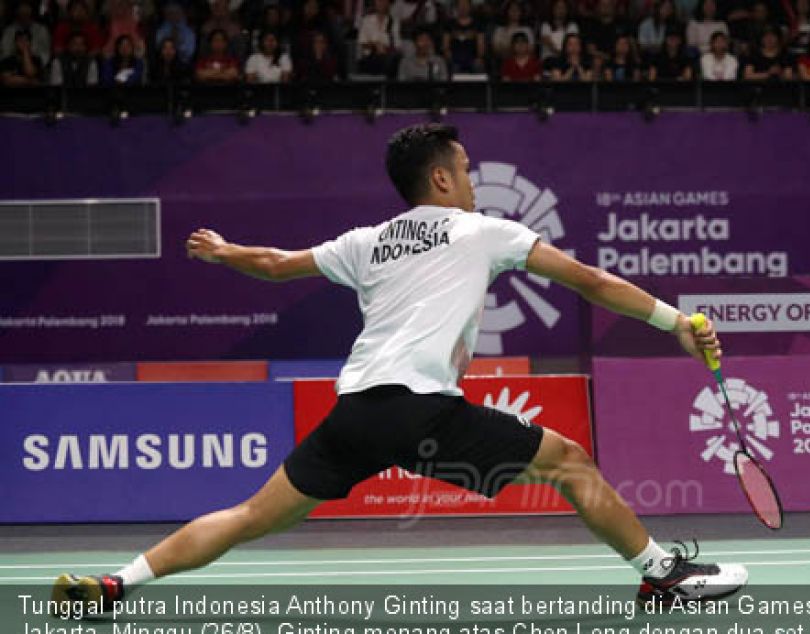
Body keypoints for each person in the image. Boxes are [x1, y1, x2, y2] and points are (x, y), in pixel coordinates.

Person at [52, 123, 747, 614]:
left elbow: (272, 265)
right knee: (569, 462)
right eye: (467, 168)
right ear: (442, 176)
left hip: (355, 412)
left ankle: (117, 584)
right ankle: (662, 576)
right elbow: (590, 281)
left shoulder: (367, 241)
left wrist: (224, 250)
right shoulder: (484, 231)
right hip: (421, 409)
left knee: (249, 516)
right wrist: (677, 323)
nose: (473, 180)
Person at [356, 0, 400, 75]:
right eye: (378, 1)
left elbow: (397, 45)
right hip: (368, 59)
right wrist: (375, 45)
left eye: (383, 1)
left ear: (388, 3)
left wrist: (385, 48)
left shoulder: (393, 22)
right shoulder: (367, 20)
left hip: (386, 59)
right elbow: (362, 42)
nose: (380, 3)